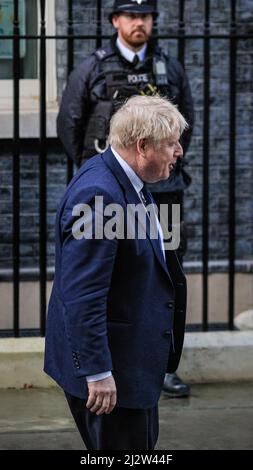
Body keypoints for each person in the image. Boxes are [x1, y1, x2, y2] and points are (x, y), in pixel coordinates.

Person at [57, 0, 194, 398]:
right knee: (112, 276)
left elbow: (185, 123)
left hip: (162, 194)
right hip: (116, 187)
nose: (140, 23)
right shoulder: (92, 67)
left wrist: (161, 163)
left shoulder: (169, 67)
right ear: (116, 21)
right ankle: (106, 363)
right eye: (132, 16)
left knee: (162, 279)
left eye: (146, 16)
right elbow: (70, 124)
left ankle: (162, 367)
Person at [44, 95, 187, 450]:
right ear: (142, 146)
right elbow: (82, 295)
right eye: (170, 144)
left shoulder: (127, 181)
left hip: (132, 367)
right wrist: (98, 373)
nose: (179, 152)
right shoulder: (99, 196)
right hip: (111, 380)